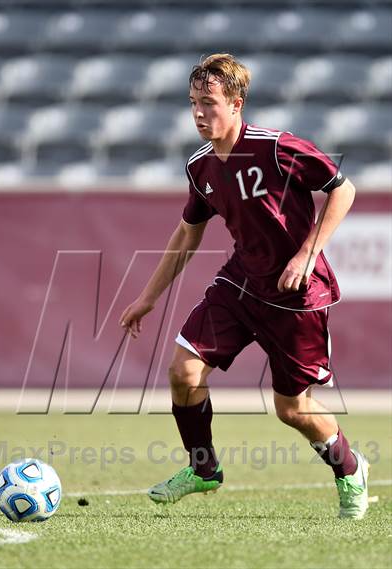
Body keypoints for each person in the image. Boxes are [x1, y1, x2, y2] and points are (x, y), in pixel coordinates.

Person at [119, 54, 369, 519]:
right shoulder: (200, 167)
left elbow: (343, 189)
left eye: (208, 103)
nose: (198, 114)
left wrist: (305, 254)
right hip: (241, 283)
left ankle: (350, 470)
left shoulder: (275, 147)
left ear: (236, 104)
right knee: (184, 371)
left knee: (292, 410)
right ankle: (203, 467)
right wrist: (147, 297)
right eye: (193, 103)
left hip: (298, 295)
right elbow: (188, 232)